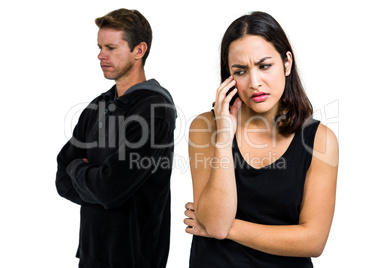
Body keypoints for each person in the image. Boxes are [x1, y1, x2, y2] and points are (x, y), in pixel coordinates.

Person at [184, 11, 338, 267]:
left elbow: (313, 240)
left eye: (264, 66)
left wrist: (225, 228)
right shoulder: (206, 127)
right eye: (241, 71)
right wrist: (224, 136)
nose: (255, 82)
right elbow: (216, 222)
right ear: (229, 77)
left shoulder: (320, 140)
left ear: (287, 62)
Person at [56, 8, 176, 268]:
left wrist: (80, 167)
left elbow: (109, 189)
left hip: (134, 258)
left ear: (139, 50)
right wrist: (98, 184)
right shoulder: (97, 106)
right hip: (91, 253)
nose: (101, 55)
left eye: (111, 47)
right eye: (100, 47)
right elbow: (62, 179)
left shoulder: (154, 110)